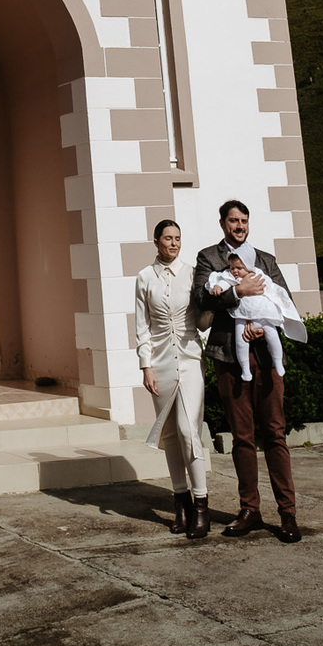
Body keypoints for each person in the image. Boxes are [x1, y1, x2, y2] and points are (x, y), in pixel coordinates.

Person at [193, 200, 303, 542]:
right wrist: (237, 291)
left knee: (274, 432)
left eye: (243, 221)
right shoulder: (208, 258)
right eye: (233, 220)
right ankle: (249, 510)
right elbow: (200, 298)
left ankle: (288, 514)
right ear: (223, 223)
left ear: (248, 224)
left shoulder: (266, 260)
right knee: (242, 435)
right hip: (229, 355)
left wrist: (263, 323)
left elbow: (286, 302)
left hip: (266, 357)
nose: (238, 226)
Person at [135, 218, 212, 539]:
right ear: (156, 242)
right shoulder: (144, 278)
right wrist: (146, 366)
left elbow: (204, 320)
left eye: (178, 238)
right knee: (168, 434)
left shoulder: (194, 274)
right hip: (160, 365)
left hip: (191, 359)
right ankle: (179, 502)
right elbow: (142, 325)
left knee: (187, 430)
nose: (174, 243)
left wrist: (220, 301)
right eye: (168, 238)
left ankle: (200, 504)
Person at [206, 253, 305, 380]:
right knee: (241, 342)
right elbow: (224, 281)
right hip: (241, 315)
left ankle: (278, 362)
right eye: (232, 268)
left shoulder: (258, 274)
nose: (234, 271)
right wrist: (218, 286)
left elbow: (271, 287)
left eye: (239, 268)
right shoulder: (232, 277)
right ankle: (245, 370)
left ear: (248, 267)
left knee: (273, 336)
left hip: (263, 314)